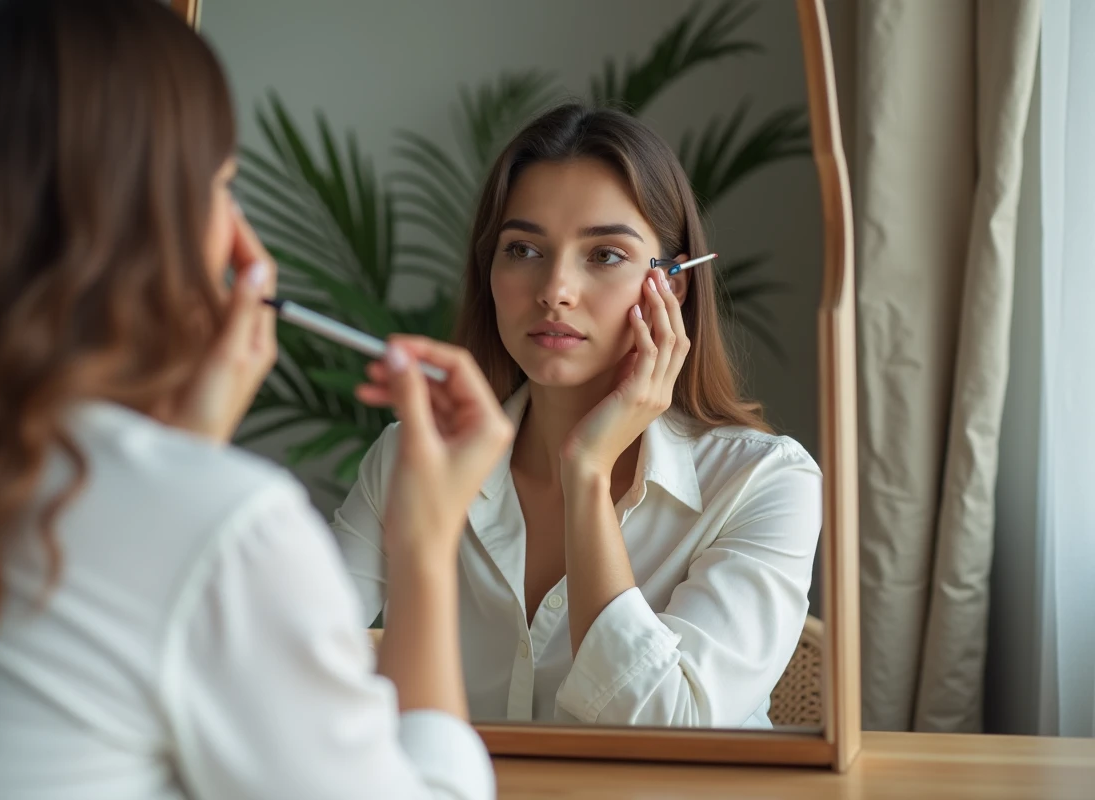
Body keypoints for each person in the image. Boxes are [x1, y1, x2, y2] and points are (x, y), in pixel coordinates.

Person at [0, 2, 509, 798]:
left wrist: (185, 453)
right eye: (222, 185)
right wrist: (425, 548)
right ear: (149, 218)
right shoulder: (223, 532)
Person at [333, 104, 823, 728]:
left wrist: (586, 474)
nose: (555, 288)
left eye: (606, 255)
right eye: (523, 248)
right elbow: (274, 663)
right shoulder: (414, 457)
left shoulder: (765, 482)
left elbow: (668, 733)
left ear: (671, 285)